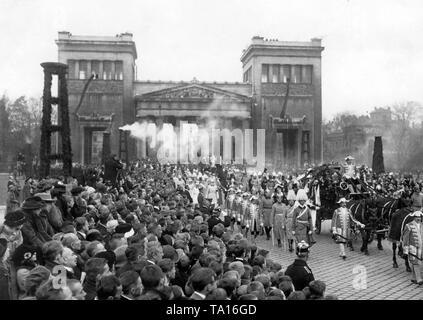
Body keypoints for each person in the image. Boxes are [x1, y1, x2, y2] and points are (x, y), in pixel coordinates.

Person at [402, 211, 423, 285]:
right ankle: (419, 279)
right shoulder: (408, 226)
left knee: (416, 263)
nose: (419, 219)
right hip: (413, 248)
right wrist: (405, 250)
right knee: (416, 263)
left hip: (421, 248)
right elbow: (405, 239)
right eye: (417, 217)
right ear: (414, 218)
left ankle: (414, 278)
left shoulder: (422, 225)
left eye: (420, 217)